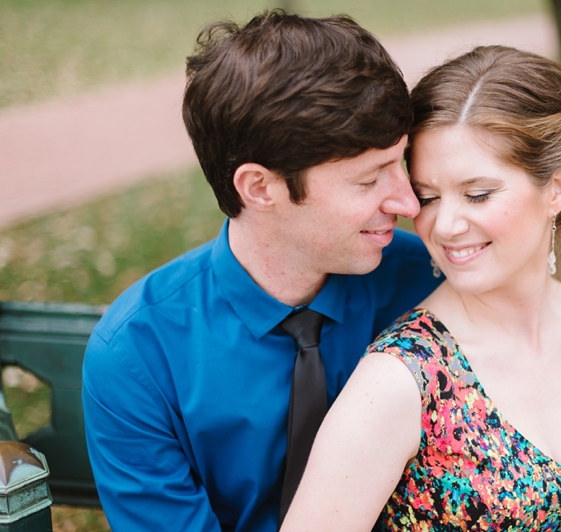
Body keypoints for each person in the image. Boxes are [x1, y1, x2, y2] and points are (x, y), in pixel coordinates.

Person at [281, 46, 561, 531]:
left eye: (477, 193)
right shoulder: (402, 379)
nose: (445, 225)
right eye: (427, 197)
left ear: (557, 188)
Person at [82, 11, 441, 532]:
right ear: (260, 188)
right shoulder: (138, 355)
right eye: (368, 180)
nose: (408, 202)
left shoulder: (432, 284)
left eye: (400, 162)